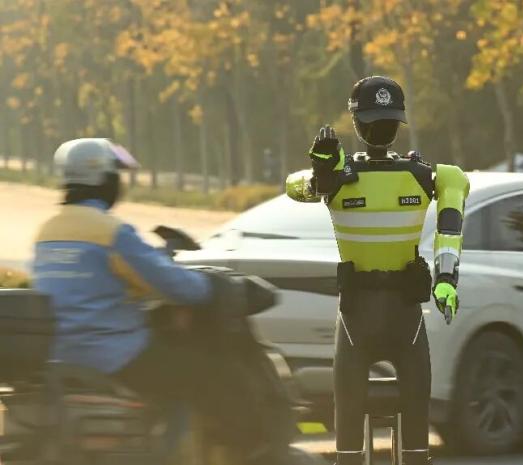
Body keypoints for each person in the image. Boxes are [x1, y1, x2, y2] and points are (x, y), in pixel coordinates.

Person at [31, 138, 298, 464]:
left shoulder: (47, 232)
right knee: (215, 375)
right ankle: (254, 453)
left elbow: (100, 280)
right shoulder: (110, 232)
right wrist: (216, 286)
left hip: (62, 353)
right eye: (115, 175)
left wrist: (156, 263)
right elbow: (181, 288)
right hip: (116, 355)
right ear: (102, 178)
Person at [286, 76, 470, 465]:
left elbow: (294, 187)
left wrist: (323, 172)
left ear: (356, 123)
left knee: (349, 441)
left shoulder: (338, 180)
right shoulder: (425, 176)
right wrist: (446, 278)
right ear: (398, 124)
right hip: (407, 317)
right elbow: (453, 211)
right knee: (416, 442)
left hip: (356, 316)